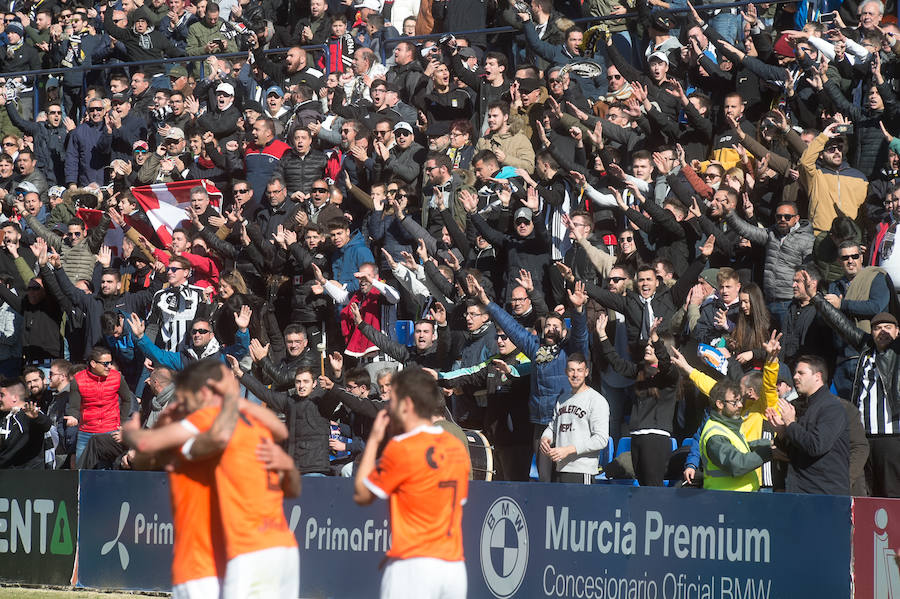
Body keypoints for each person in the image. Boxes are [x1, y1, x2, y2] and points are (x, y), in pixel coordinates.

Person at [125, 359, 299, 599]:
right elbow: (280, 431)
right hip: (260, 550)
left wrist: (133, 434)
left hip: (223, 557)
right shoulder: (240, 423)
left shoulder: (212, 420)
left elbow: (146, 450)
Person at [353, 368, 470, 599]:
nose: (389, 407)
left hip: (413, 564)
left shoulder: (403, 446)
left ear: (407, 404)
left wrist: (375, 440)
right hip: (453, 566)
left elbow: (362, 494)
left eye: (393, 400)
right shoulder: (455, 446)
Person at [767, 354, 851, 495]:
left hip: (824, 494)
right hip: (802, 491)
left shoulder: (832, 407)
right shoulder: (806, 407)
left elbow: (816, 446)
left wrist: (790, 424)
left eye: (801, 373)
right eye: (795, 373)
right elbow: (798, 452)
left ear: (817, 376)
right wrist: (782, 433)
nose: (795, 377)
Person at [540, 353, 609, 484]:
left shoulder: (596, 400)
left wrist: (569, 450)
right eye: (571, 370)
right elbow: (553, 427)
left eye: (579, 370)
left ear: (586, 372)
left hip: (582, 471)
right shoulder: (562, 399)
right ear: (566, 372)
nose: (575, 375)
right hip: (560, 469)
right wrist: (546, 438)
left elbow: (601, 439)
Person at [699, 379, 773, 491]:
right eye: (734, 402)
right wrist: (769, 452)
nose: (740, 405)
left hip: (738, 497)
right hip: (726, 499)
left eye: (740, 400)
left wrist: (768, 444)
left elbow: (742, 447)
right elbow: (736, 464)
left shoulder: (729, 425)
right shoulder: (715, 435)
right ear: (719, 404)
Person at [0, 378, 51, 469]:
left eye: (1, 395)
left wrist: (37, 417)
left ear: (14, 397)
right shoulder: (5, 416)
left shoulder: (30, 415)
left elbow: (46, 425)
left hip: (28, 476)